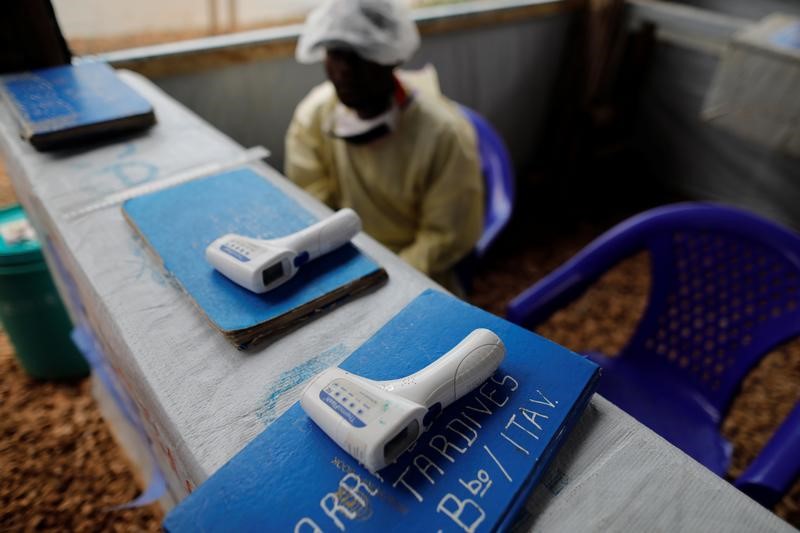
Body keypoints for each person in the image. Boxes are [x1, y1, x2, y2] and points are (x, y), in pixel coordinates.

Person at [285, 0, 484, 295]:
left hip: (416, 280)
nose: (343, 70)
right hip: (338, 266)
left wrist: (384, 283)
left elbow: (444, 237)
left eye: (359, 56)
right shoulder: (312, 118)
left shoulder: (443, 135)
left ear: (391, 58)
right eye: (335, 53)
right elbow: (312, 209)